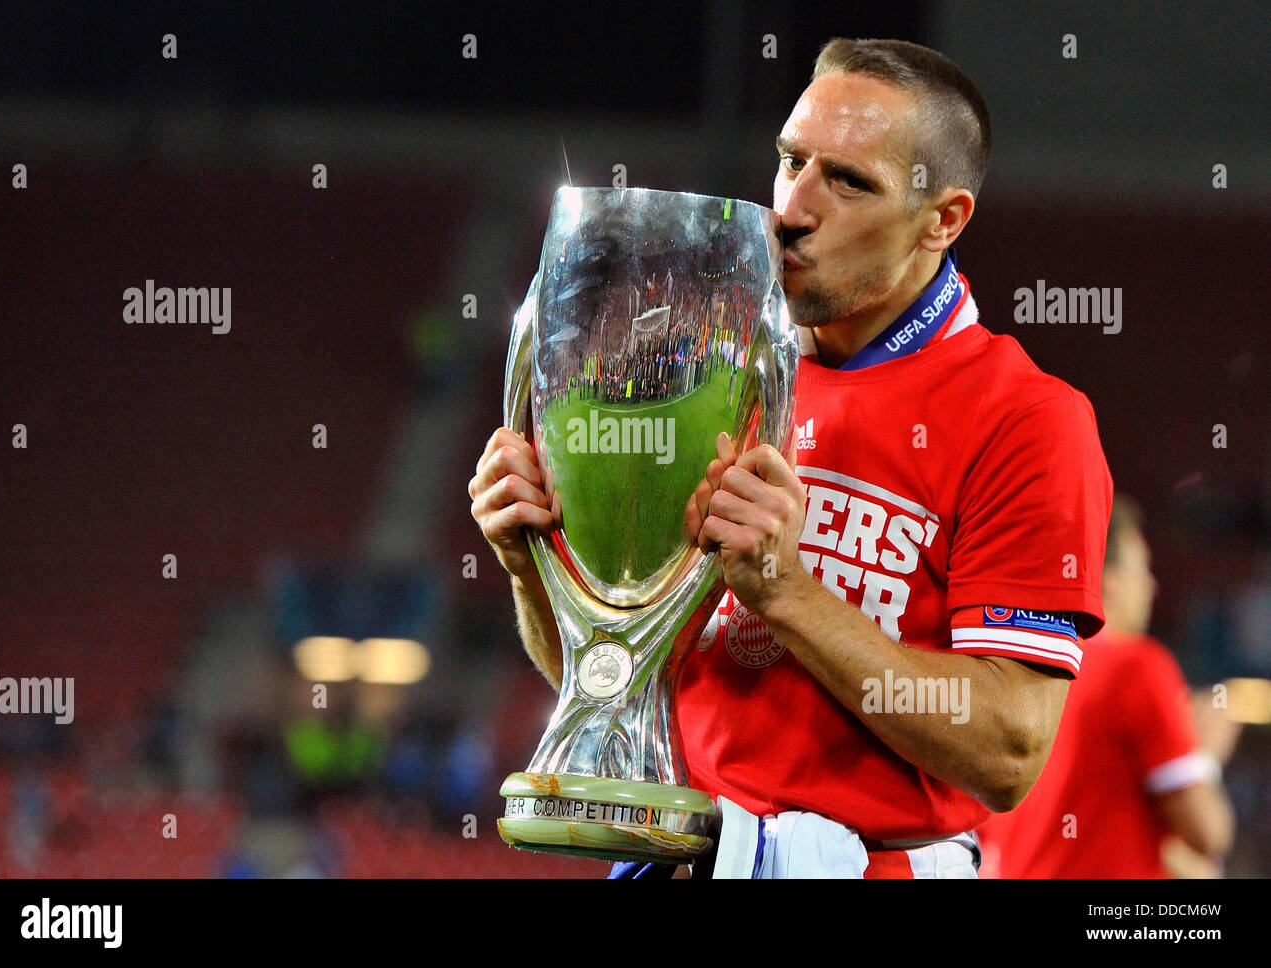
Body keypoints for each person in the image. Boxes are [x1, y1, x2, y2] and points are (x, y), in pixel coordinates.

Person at [470, 37, 1113, 878]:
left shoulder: (1026, 420)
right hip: (677, 854)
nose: (792, 207)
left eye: (848, 181)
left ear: (943, 219)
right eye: (790, 161)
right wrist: (532, 570)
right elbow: (615, 683)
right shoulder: (708, 376)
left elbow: (1008, 751)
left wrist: (787, 596)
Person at [978, 497, 1237, 878]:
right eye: (1142, 569)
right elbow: (1208, 833)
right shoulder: (1138, 667)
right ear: (1109, 582)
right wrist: (1204, 760)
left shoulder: (1015, 662)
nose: (1152, 586)